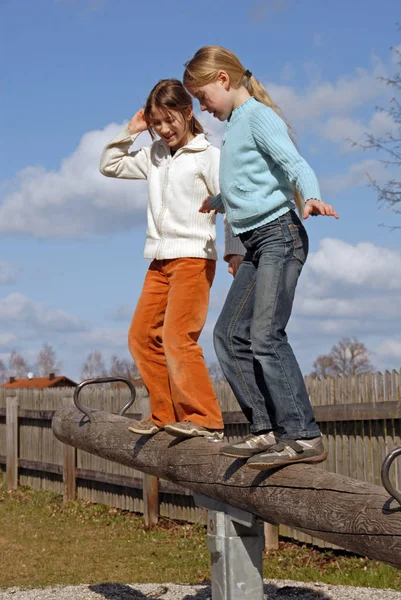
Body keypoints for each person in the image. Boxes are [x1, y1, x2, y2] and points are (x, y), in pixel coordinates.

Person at [183, 46, 339, 468]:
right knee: (228, 336)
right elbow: (250, 179)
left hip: (280, 236)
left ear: (222, 79)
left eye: (203, 98)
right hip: (256, 243)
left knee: (265, 336)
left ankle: (304, 435)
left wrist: (312, 197)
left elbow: (295, 166)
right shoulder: (235, 125)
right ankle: (265, 429)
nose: (203, 107)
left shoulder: (258, 117)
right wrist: (222, 199)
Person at [99, 78, 244, 440]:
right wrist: (130, 131)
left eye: (169, 120)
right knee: (140, 336)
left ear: (187, 112)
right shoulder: (154, 157)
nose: (163, 130)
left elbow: (233, 204)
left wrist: (235, 251)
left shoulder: (209, 157)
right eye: (156, 123)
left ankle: (205, 418)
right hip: (159, 261)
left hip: (193, 259)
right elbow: (109, 165)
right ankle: (164, 413)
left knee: (178, 337)